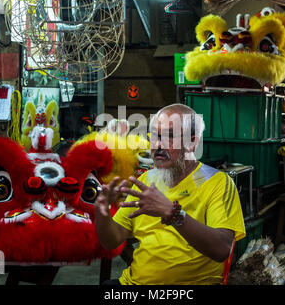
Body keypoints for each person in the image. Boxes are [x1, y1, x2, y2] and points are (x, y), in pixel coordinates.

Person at [94, 103, 246, 285]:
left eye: (170, 136)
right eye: (155, 136)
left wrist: (173, 214)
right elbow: (112, 240)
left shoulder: (217, 182)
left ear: (193, 142)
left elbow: (222, 249)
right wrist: (102, 214)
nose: (158, 144)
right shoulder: (145, 180)